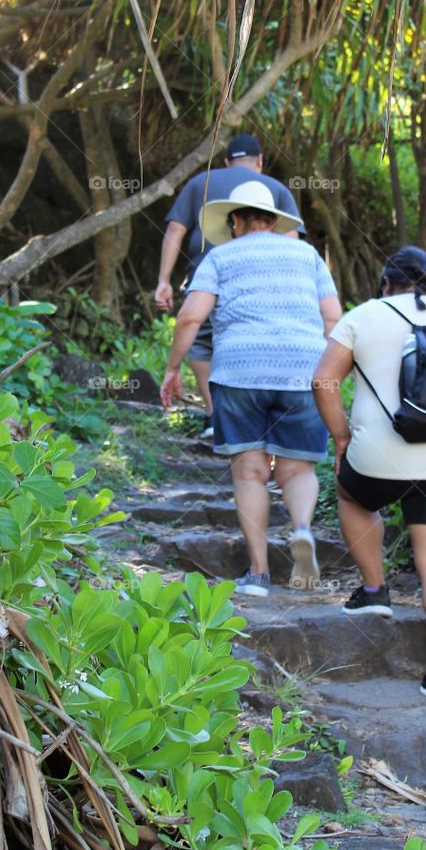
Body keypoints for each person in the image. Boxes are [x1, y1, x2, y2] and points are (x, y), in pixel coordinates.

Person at [312, 247, 426, 697]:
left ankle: (375, 590)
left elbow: (323, 381)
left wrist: (341, 438)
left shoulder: (363, 315)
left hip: (378, 455)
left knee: (352, 495)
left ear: (386, 283)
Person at [160, 180, 341, 597]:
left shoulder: (220, 256)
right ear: (274, 222)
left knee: (249, 473)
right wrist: (327, 371)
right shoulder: (307, 255)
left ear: (235, 221)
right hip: (303, 371)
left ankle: (258, 574)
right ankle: (301, 529)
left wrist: (172, 368)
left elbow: (190, 318)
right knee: (298, 469)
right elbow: (333, 318)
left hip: (240, 372)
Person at [155, 133, 302, 437]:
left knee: (201, 343)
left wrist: (163, 281)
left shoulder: (201, 182)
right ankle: (259, 419)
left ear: (226, 161)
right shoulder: (276, 189)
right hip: (263, 284)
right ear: (259, 161)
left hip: (207, 277)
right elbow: (292, 242)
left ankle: (216, 416)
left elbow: (176, 228)